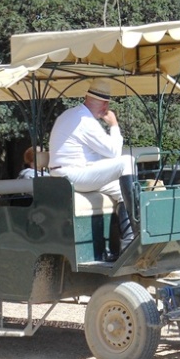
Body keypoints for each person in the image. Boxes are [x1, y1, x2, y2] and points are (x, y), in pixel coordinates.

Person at [48, 79, 137, 256]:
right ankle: (132, 237)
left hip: (74, 173)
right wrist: (114, 125)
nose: (106, 109)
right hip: (70, 175)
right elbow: (113, 151)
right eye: (106, 105)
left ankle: (130, 239)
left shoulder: (76, 115)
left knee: (121, 190)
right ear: (105, 105)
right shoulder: (84, 120)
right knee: (127, 161)